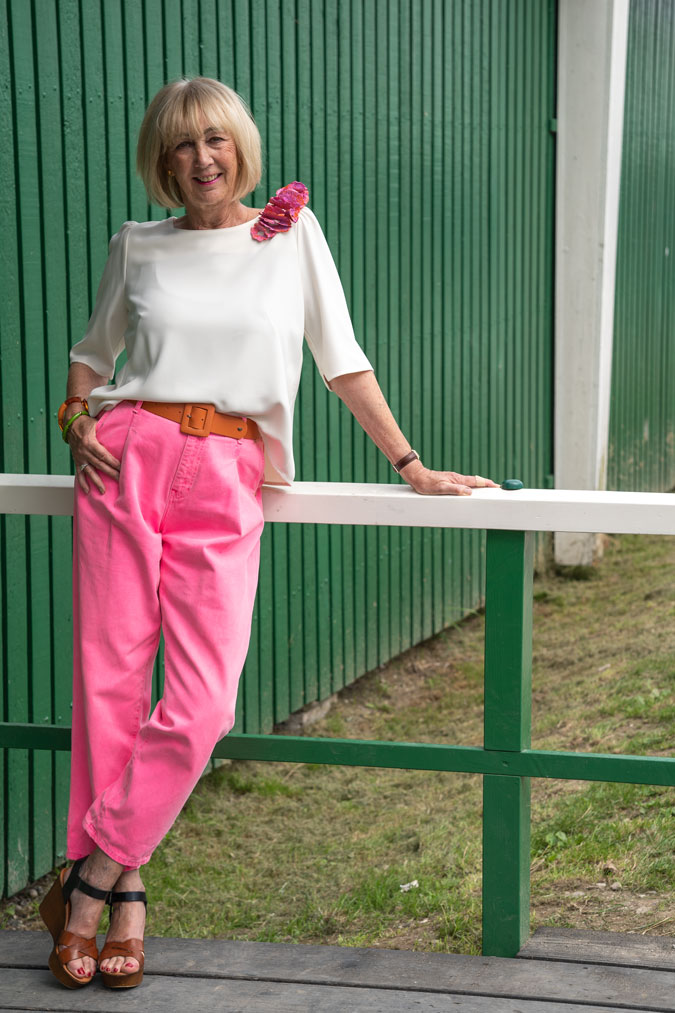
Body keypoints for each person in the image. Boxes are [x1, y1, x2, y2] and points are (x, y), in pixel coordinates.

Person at [39, 76, 497, 990]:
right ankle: (126, 894)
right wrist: (77, 415)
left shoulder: (291, 239)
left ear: (239, 145)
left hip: (228, 466)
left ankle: (84, 878)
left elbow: (343, 360)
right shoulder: (137, 246)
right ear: (160, 160)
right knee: (109, 685)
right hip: (126, 457)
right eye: (179, 145)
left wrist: (409, 463)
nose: (201, 159)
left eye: (214, 139)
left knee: (205, 702)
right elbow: (94, 352)